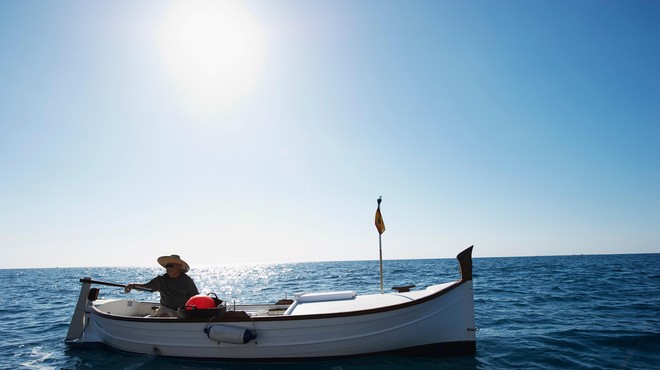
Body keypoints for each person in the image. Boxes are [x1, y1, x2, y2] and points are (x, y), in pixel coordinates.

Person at [125, 254, 200, 317]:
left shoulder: (187, 280)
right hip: (166, 309)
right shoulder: (161, 280)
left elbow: (195, 296)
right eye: (167, 266)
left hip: (183, 310)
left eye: (171, 266)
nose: (168, 268)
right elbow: (146, 286)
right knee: (165, 314)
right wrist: (132, 285)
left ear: (179, 267)